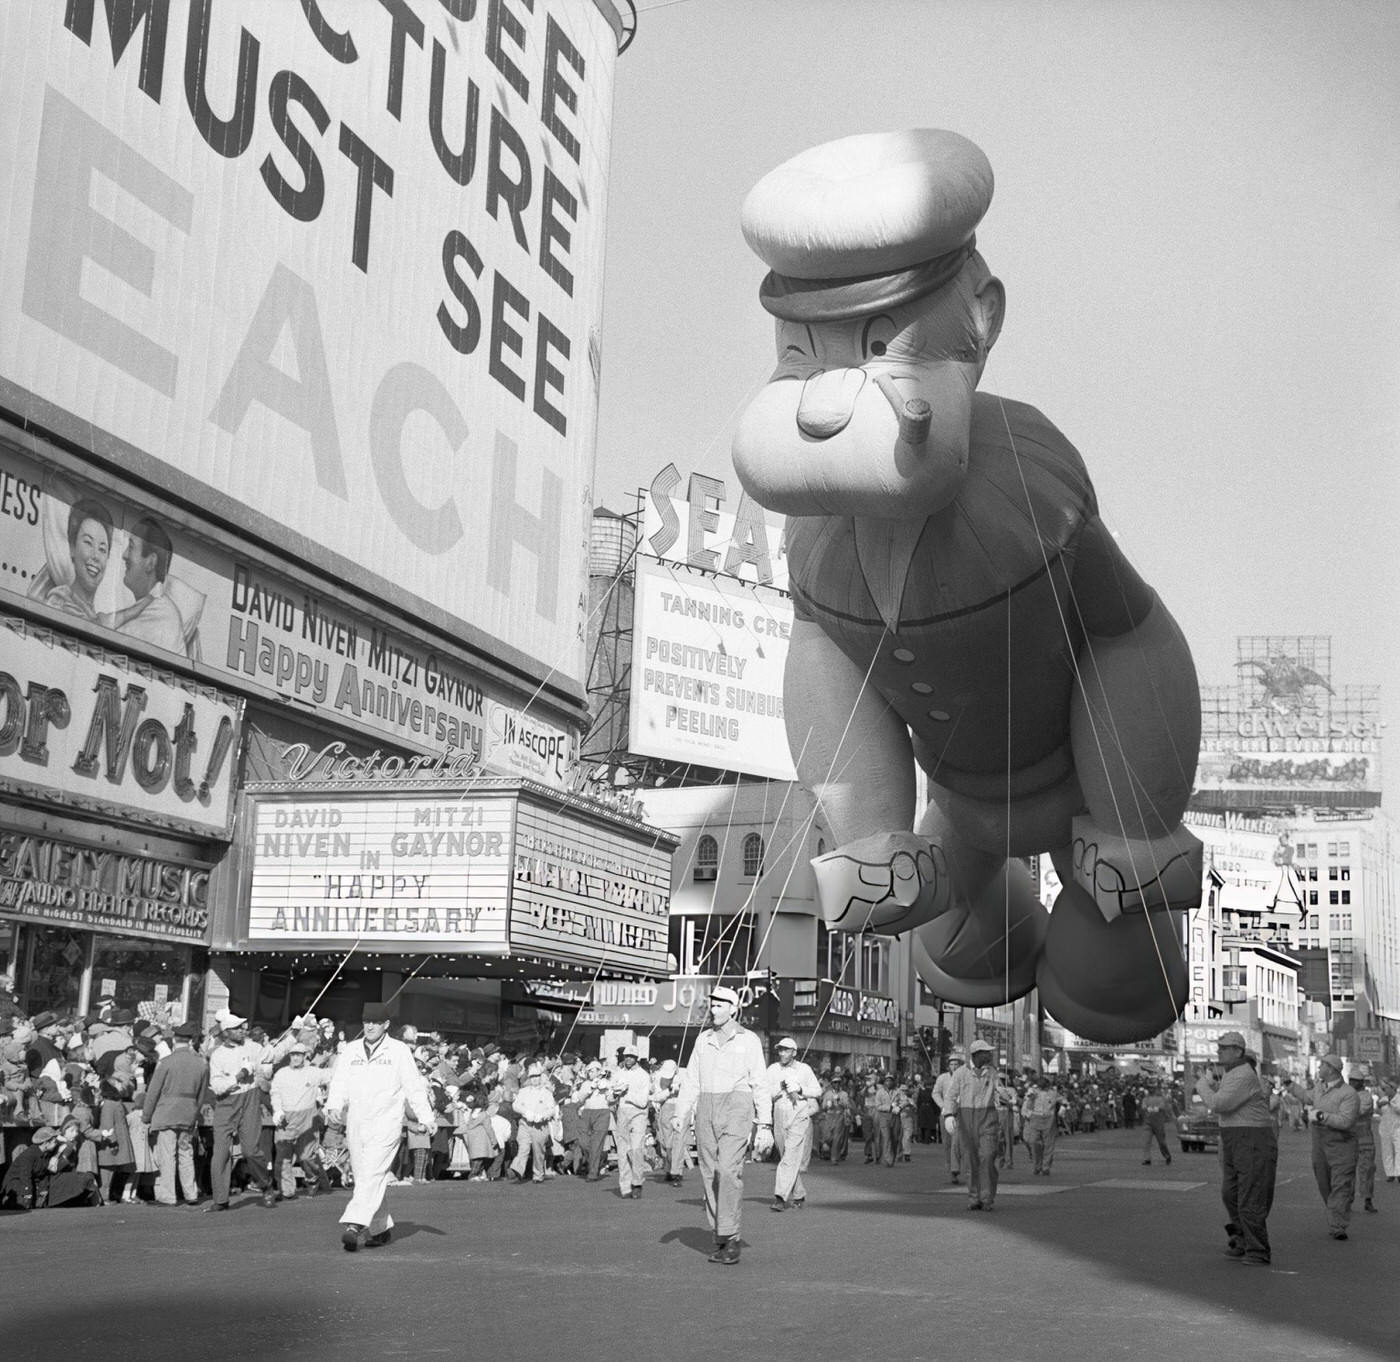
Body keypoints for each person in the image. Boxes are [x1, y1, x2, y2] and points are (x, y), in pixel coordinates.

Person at [672, 986, 773, 1265]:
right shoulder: (703, 1040)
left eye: (718, 1005)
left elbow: (760, 1082)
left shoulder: (748, 1040)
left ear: (733, 1009)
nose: (713, 1010)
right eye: (711, 1005)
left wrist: (765, 1123)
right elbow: (691, 1079)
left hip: (737, 1107)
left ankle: (731, 1236)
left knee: (728, 1170)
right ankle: (723, 1235)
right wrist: (680, 1112)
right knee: (710, 1174)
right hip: (706, 1108)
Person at [325, 1001, 436, 1252]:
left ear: (385, 1024)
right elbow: (339, 1081)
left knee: (373, 1173)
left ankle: (354, 1225)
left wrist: (426, 1117)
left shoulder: (398, 1051)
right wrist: (334, 1106)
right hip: (356, 1122)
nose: (370, 1027)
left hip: (386, 1122)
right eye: (367, 1022)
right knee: (365, 1176)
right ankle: (380, 1228)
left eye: (375, 1022)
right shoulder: (351, 1050)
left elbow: (413, 1086)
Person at [1194, 1032, 1277, 1266]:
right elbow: (1223, 1095)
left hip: (1250, 1138)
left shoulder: (1242, 1074)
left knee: (1250, 1195)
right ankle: (1242, 1238)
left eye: (1224, 1048)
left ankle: (1257, 1248)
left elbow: (1219, 1103)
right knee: (1231, 1193)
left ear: (1238, 1051)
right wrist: (1211, 1083)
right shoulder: (1233, 1074)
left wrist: (1202, 1084)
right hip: (1235, 1137)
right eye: (1219, 1047)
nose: (1218, 1051)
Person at [205, 1010, 284, 1212]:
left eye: (242, 1027)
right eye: (237, 1028)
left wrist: (294, 1034)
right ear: (226, 1032)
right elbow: (217, 1086)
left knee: (250, 1151)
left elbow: (274, 1054)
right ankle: (220, 1199)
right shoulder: (217, 1055)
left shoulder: (253, 1047)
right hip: (226, 1103)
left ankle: (265, 1185)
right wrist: (240, 1074)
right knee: (220, 1153)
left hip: (249, 1098)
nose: (242, 1030)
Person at [140, 1020, 209, 1207]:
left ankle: (168, 1196)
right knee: (186, 1152)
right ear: (190, 1040)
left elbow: (153, 1092)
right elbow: (202, 1093)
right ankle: (191, 1193)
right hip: (188, 1112)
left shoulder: (165, 1062)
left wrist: (146, 1116)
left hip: (167, 1112)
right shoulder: (202, 1063)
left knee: (167, 1154)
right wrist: (195, 1112)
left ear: (174, 1040)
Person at [940, 1039, 1011, 1211]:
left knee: (988, 1156)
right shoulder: (961, 1073)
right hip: (966, 1119)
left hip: (988, 1118)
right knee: (970, 1160)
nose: (989, 1055)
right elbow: (951, 1096)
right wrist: (948, 1114)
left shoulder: (992, 1072)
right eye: (986, 1052)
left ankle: (987, 1198)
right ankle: (974, 1197)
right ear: (976, 1054)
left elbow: (999, 1090)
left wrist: (1004, 1095)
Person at [29, 497, 113, 621]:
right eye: (88, 543)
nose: (96, 556)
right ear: (72, 547)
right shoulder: (58, 604)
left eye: (102, 549)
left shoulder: (95, 617)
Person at [1309, 1052, 1360, 1242]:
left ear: (1330, 1069)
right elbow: (1306, 1096)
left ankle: (1338, 1225)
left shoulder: (1348, 1094)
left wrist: (1321, 1116)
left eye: (1322, 1065)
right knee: (1325, 1184)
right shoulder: (1319, 1088)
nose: (1319, 1068)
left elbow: (1346, 1121)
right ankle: (1335, 1215)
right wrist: (1289, 1084)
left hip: (1342, 1146)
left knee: (1341, 1186)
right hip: (1320, 1146)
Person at [270, 1042, 331, 1199]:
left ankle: (313, 1178)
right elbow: (275, 1093)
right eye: (293, 1054)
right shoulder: (281, 1073)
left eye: (299, 1054)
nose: (295, 1057)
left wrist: (342, 1056)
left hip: (307, 1117)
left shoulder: (314, 1072)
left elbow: (334, 1074)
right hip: (286, 1118)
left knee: (306, 1156)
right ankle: (286, 1191)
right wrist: (277, 1110)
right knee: (283, 1158)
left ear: (305, 1056)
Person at [765, 1037, 820, 1210]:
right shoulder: (773, 1069)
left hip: (798, 1115)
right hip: (779, 1113)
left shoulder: (804, 1069)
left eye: (786, 1050)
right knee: (787, 1156)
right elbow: (765, 1094)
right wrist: (781, 1087)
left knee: (790, 1156)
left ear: (794, 1052)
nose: (782, 1053)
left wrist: (801, 1089)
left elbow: (817, 1091)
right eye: (780, 1050)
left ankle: (780, 1197)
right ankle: (799, 1193)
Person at [610, 1045, 652, 1199]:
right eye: (626, 1056)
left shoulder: (643, 1075)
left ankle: (637, 1182)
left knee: (636, 1149)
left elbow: (642, 1101)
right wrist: (615, 1094)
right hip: (622, 1112)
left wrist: (626, 1094)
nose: (628, 1059)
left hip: (638, 1114)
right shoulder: (618, 1074)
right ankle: (625, 1186)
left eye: (631, 1057)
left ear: (636, 1058)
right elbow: (609, 1098)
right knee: (623, 1151)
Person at [574, 1061, 612, 1181]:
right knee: (583, 1142)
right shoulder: (586, 1084)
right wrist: (590, 1088)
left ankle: (593, 1172)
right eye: (588, 1071)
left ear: (599, 1072)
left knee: (597, 1142)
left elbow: (612, 1100)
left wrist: (607, 1090)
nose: (589, 1073)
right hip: (587, 1112)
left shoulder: (607, 1082)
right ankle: (597, 1159)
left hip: (602, 1112)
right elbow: (580, 1098)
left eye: (592, 1071)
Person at [1348, 1064, 1378, 1214]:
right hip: (1348, 1140)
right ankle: (1347, 1201)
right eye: (1351, 1080)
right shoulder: (1345, 1095)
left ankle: (1367, 1199)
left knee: (1367, 1171)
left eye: (1355, 1081)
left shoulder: (1365, 1097)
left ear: (1361, 1083)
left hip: (1365, 1141)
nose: (1352, 1083)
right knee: (1347, 1172)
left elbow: (1358, 1111)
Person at [932, 1052, 965, 1183]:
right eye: (952, 1064)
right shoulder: (942, 1078)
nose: (954, 1067)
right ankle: (950, 1167)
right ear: (948, 1066)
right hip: (946, 1113)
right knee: (947, 1143)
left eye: (956, 1064)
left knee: (957, 1143)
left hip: (960, 1114)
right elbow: (935, 1093)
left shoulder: (964, 1077)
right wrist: (942, 1106)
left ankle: (955, 1169)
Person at [1021, 1075, 1062, 1175]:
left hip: (1048, 1118)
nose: (1041, 1082)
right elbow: (1027, 1103)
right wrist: (1030, 1102)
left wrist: (1060, 1112)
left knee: (1048, 1144)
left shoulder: (1053, 1093)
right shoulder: (1033, 1091)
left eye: (1044, 1081)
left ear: (1048, 1083)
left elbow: (1063, 1101)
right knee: (1033, 1141)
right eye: (1040, 1080)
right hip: (1035, 1117)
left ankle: (1045, 1167)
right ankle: (1037, 1165)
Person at [1140, 1083, 1174, 1166]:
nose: (1150, 1089)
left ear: (1155, 1089)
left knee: (1161, 1142)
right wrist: (1147, 1108)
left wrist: (1157, 1108)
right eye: (1149, 1088)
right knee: (1146, 1141)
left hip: (1158, 1122)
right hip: (1148, 1122)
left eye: (1152, 1088)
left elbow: (1163, 1106)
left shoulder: (1160, 1098)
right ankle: (1147, 1158)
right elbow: (1143, 1107)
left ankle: (1167, 1156)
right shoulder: (1146, 1099)